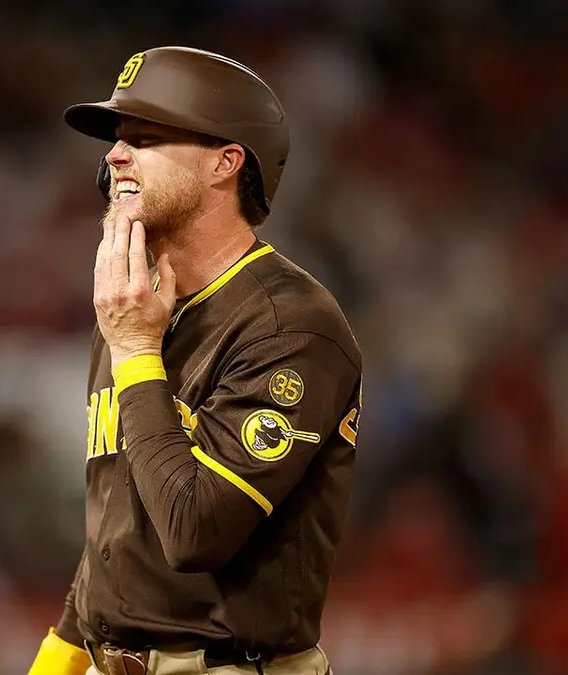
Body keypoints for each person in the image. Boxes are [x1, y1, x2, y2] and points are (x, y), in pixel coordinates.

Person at [28, 47, 362, 675]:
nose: (114, 156)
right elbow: (119, 524)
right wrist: (62, 655)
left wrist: (134, 350)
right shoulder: (135, 302)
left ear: (226, 162)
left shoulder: (289, 325)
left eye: (147, 137)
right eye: (118, 139)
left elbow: (195, 529)